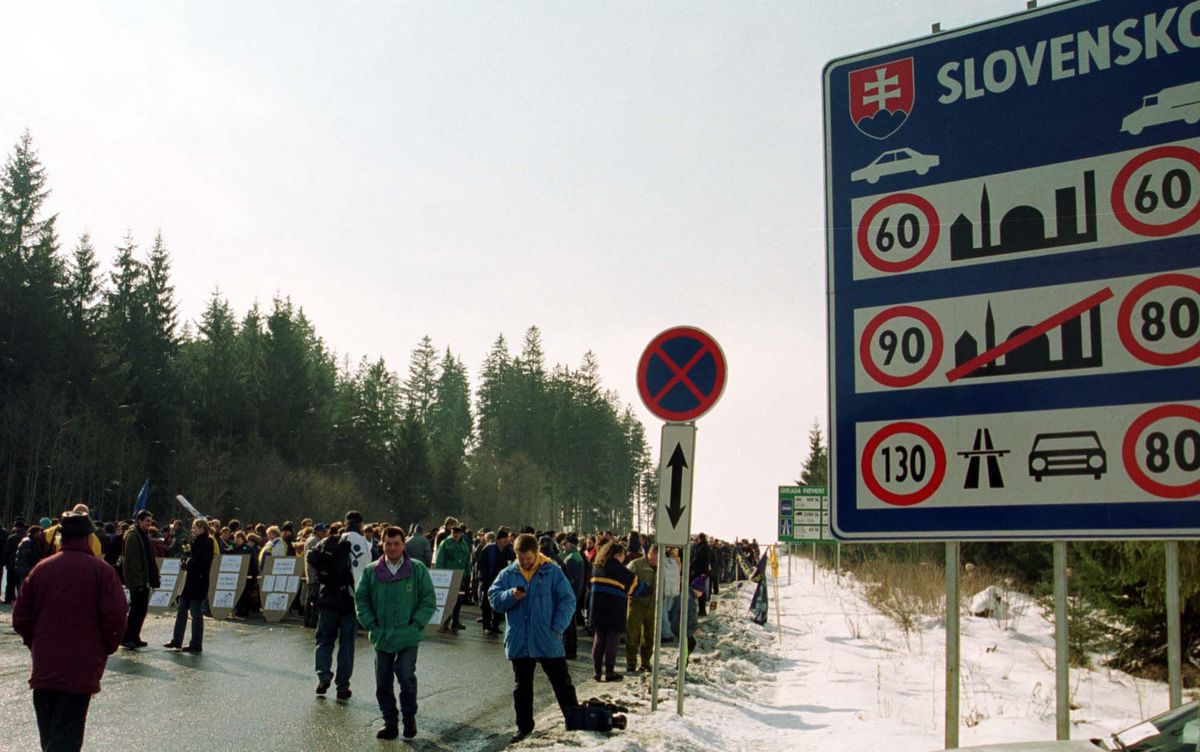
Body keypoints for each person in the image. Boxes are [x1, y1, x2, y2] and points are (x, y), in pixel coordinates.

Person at [12, 511, 127, 752]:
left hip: (45, 666)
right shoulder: (103, 572)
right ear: (88, 538)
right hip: (81, 669)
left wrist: (36, 642)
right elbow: (116, 619)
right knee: (66, 739)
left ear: (60, 537)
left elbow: (20, 616)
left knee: (51, 737)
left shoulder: (41, 570)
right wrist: (104, 647)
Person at [488, 533, 580, 743]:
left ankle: (574, 720)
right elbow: (493, 598)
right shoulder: (508, 574)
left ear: (536, 553)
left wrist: (558, 627)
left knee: (561, 682)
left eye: (529, 558)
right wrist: (510, 595)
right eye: (521, 559)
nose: (526, 562)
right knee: (522, 686)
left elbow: (568, 600)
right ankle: (524, 727)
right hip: (520, 639)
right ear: (516, 554)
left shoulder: (552, 571)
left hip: (547, 636)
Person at [355, 526, 436, 740]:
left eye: (396, 544)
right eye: (388, 544)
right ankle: (390, 721)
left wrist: (416, 623)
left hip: (408, 634)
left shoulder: (417, 569)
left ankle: (409, 717)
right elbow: (361, 599)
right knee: (383, 681)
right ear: (382, 544)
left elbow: (428, 600)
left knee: (406, 675)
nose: (392, 548)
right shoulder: (372, 571)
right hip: (382, 635)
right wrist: (370, 623)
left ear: (403, 545)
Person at [308, 516, 359, 701]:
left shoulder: (324, 544)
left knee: (324, 640)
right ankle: (342, 686)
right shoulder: (358, 546)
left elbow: (311, 559)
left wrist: (314, 589)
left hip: (328, 598)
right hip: (349, 601)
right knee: (346, 646)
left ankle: (323, 675)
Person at [588, 541, 647, 682]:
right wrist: (650, 588)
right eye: (623, 555)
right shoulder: (619, 570)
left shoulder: (597, 567)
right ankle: (609, 672)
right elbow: (636, 587)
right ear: (618, 555)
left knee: (599, 639)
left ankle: (597, 672)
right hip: (614, 609)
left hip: (597, 608)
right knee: (611, 641)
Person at [165, 519, 215, 653]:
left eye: (194, 527)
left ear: (201, 528)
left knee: (196, 612)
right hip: (189, 581)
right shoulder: (193, 542)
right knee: (182, 611)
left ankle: (196, 643)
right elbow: (190, 557)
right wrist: (184, 559)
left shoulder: (207, 543)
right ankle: (177, 640)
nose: (192, 530)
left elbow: (202, 563)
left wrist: (189, 563)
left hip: (199, 582)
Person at [120, 509, 160, 649]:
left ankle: (135, 636)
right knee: (136, 610)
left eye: (150, 521)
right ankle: (127, 637)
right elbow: (132, 561)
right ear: (140, 520)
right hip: (137, 580)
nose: (149, 523)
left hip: (144, 579)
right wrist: (138, 582)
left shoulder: (143, 535)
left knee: (141, 610)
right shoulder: (133, 536)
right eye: (147, 521)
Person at [625, 543, 658, 673]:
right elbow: (626, 580)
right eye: (654, 557)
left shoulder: (661, 567)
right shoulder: (636, 564)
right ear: (649, 554)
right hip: (636, 604)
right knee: (633, 634)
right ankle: (631, 662)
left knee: (649, 636)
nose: (655, 561)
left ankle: (645, 662)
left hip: (652, 606)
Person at [477, 527, 515, 635]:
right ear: (498, 539)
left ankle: (495, 625)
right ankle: (486, 625)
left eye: (507, 539)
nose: (506, 541)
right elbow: (480, 563)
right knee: (487, 604)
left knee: (500, 603)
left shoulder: (509, 550)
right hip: (489, 580)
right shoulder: (489, 549)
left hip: (503, 582)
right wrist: (484, 577)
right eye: (503, 539)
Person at [433, 524, 471, 630]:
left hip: (459, 576)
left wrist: (468, 574)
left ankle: (455, 620)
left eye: (458, 532)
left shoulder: (464, 545)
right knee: (447, 599)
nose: (456, 534)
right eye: (454, 532)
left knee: (458, 599)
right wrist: (440, 574)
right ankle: (445, 621)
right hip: (447, 576)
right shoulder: (445, 543)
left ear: (461, 533)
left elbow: (467, 560)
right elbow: (439, 559)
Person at [557, 533, 586, 660]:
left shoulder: (571, 558)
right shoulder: (577, 556)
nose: (564, 546)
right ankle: (571, 648)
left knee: (568, 624)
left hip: (569, 594)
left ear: (570, 544)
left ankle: (568, 649)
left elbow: (568, 578)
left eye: (565, 544)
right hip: (575, 593)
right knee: (571, 624)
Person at [660, 546, 681, 642]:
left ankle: (666, 634)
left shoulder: (663, 562)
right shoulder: (674, 562)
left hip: (664, 590)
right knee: (667, 612)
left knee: (663, 613)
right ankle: (668, 632)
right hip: (672, 591)